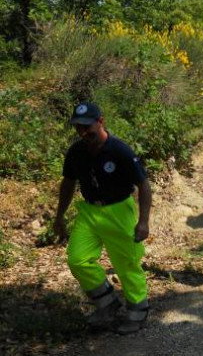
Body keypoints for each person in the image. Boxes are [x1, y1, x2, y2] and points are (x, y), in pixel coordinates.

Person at [55, 102, 152, 334]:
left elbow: (143, 184)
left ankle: (138, 312)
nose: (83, 132)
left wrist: (144, 220)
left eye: (87, 126)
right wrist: (59, 216)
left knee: (126, 264)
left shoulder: (120, 150)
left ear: (101, 121)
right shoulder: (76, 152)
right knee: (77, 259)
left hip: (119, 211)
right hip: (89, 212)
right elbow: (68, 183)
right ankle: (107, 304)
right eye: (79, 127)